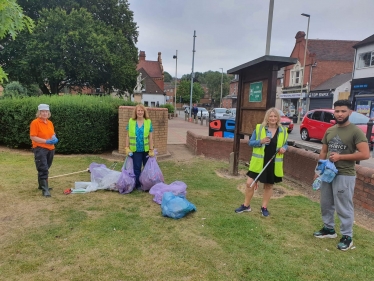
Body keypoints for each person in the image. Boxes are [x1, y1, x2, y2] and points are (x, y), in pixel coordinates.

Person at [313, 99, 369, 251]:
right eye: (337, 111)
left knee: (343, 206)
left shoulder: (355, 131)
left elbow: (365, 154)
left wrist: (341, 157)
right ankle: (329, 229)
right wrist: (318, 171)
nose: (339, 114)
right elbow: (323, 151)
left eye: (343, 111)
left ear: (350, 112)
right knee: (326, 203)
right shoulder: (330, 130)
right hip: (328, 173)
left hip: (345, 174)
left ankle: (347, 237)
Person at [235, 107, 288, 217]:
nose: (273, 118)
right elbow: (250, 143)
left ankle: (264, 207)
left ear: (278, 118)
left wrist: (284, 148)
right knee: (249, 183)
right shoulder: (259, 128)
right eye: (270, 116)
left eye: (275, 116)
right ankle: (246, 205)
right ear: (267, 118)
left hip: (272, 163)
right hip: (259, 162)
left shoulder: (283, 130)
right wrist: (261, 141)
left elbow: (285, 143)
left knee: (268, 186)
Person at [30, 104, 59, 197]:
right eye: (42, 111)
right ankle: (45, 189)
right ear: (39, 113)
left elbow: (52, 133)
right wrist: (46, 141)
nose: (45, 113)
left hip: (51, 148)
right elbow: (33, 137)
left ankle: (41, 185)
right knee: (43, 168)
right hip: (40, 148)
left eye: (46, 111)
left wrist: (54, 137)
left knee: (47, 166)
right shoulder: (35, 123)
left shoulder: (49, 123)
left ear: (48, 113)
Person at [125, 104, 155, 190]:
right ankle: (137, 185)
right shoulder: (131, 121)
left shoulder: (148, 122)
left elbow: (151, 137)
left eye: (142, 111)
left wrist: (151, 149)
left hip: (146, 150)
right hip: (136, 150)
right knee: (137, 168)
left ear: (144, 112)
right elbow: (127, 136)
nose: (140, 112)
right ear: (136, 112)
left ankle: (146, 184)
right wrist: (127, 147)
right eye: (138, 110)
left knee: (146, 168)